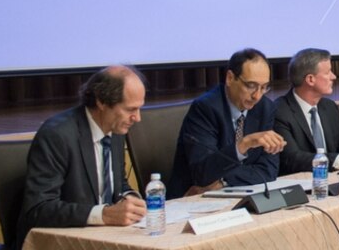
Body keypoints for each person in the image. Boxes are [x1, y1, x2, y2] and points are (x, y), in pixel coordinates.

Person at [19, 65, 148, 249]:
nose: (137, 118)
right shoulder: (58, 135)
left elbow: (117, 184)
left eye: (139, 109)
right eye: (130, 110)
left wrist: (132, 201)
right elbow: (39, 209)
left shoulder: (116, 129)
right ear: (102, 102)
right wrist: (103, 214)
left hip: (103, 239)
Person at [167, 48, 286, 198]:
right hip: (192, 198)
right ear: (230, 78)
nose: (257, 96)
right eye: (250, 86)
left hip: (235, 192)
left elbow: (269, 170)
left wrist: (223, 181)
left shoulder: (265, 108)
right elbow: (203, 173)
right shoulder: (206, 109)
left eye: (263, 87)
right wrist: (243, 145)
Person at [274, 48, 339, 175]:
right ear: (310, 79)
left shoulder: (329, 107)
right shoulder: (280, 111)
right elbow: (292, 159)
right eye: (328, 72)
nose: (334, 76)